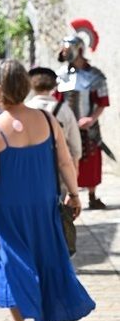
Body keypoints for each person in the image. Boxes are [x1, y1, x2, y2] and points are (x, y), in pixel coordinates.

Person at [0, 59, 95, 321]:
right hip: (44, 207)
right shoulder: (46, 119)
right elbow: (65, 160)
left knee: (10, 265)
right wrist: (75, 194)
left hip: (8, 211)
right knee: (48, 262)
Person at [56, 24, 109, 209]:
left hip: (88, 126)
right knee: (66, 159)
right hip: (65, 126)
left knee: (91, 160)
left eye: (67, 48)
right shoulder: (60, 75)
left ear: (78, 50)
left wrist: (91, 119)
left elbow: (102, 102)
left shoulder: (94, 75)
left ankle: (92, 196)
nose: (64, 52)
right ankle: (69, 195)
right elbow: (56, 101)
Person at [26, 67, 82, 182]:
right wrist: (75, 167)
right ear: (53, 85)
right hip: (60, 163)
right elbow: (75, 142)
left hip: (33, 164)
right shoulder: (65, 110)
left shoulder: (26, 109)